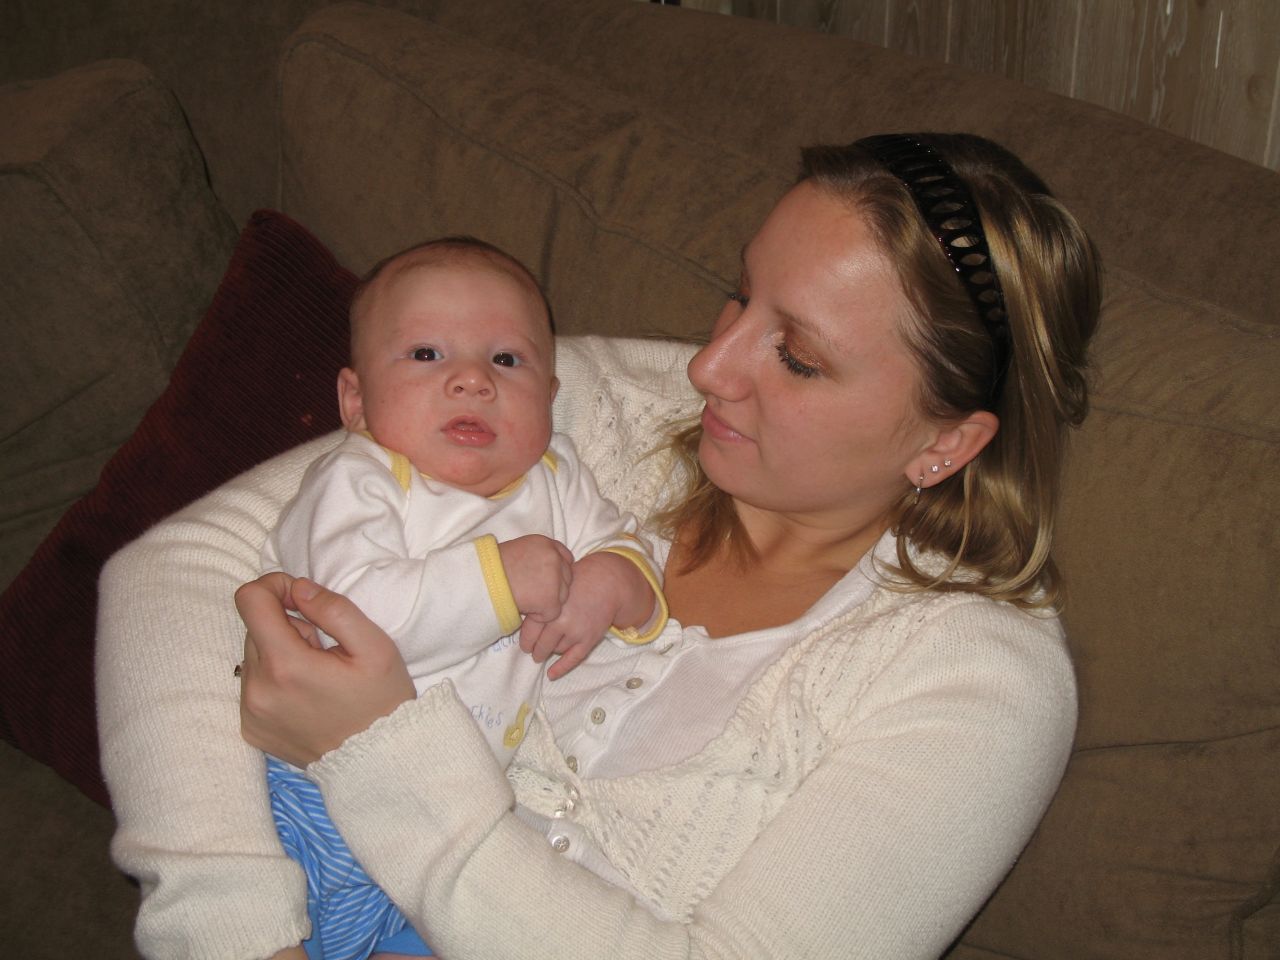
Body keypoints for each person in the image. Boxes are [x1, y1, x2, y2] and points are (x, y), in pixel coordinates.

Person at [98, 132, 1101, 960]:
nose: (709, 366)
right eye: (735, 295)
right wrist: (237, 932)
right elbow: (171, 577)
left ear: (946, 442)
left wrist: (374, 745)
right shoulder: (593, 403)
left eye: (794, 356)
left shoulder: (973, 680)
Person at [259, 236, 668, 959]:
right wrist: (501, 582)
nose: (472, 381)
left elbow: (624, 544)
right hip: (317, 794)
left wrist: (613, 583)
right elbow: (356, 614)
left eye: (506, 360)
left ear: (549, 396)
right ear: (355, 400)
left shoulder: (556, 477)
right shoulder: (359, 482)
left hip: (457, 815)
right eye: (426, 355)